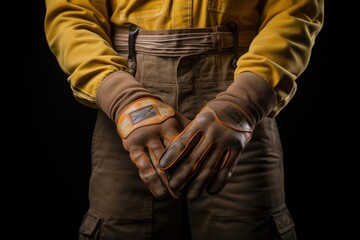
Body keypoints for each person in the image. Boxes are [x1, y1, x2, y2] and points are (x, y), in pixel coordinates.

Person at [44, 0, 324, 239]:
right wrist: (122, 98)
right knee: (123, 228)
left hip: (238, 82)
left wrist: (246, 100)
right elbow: (71, 13)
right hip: (129, 83)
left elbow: (296, 10)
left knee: (247, 226)